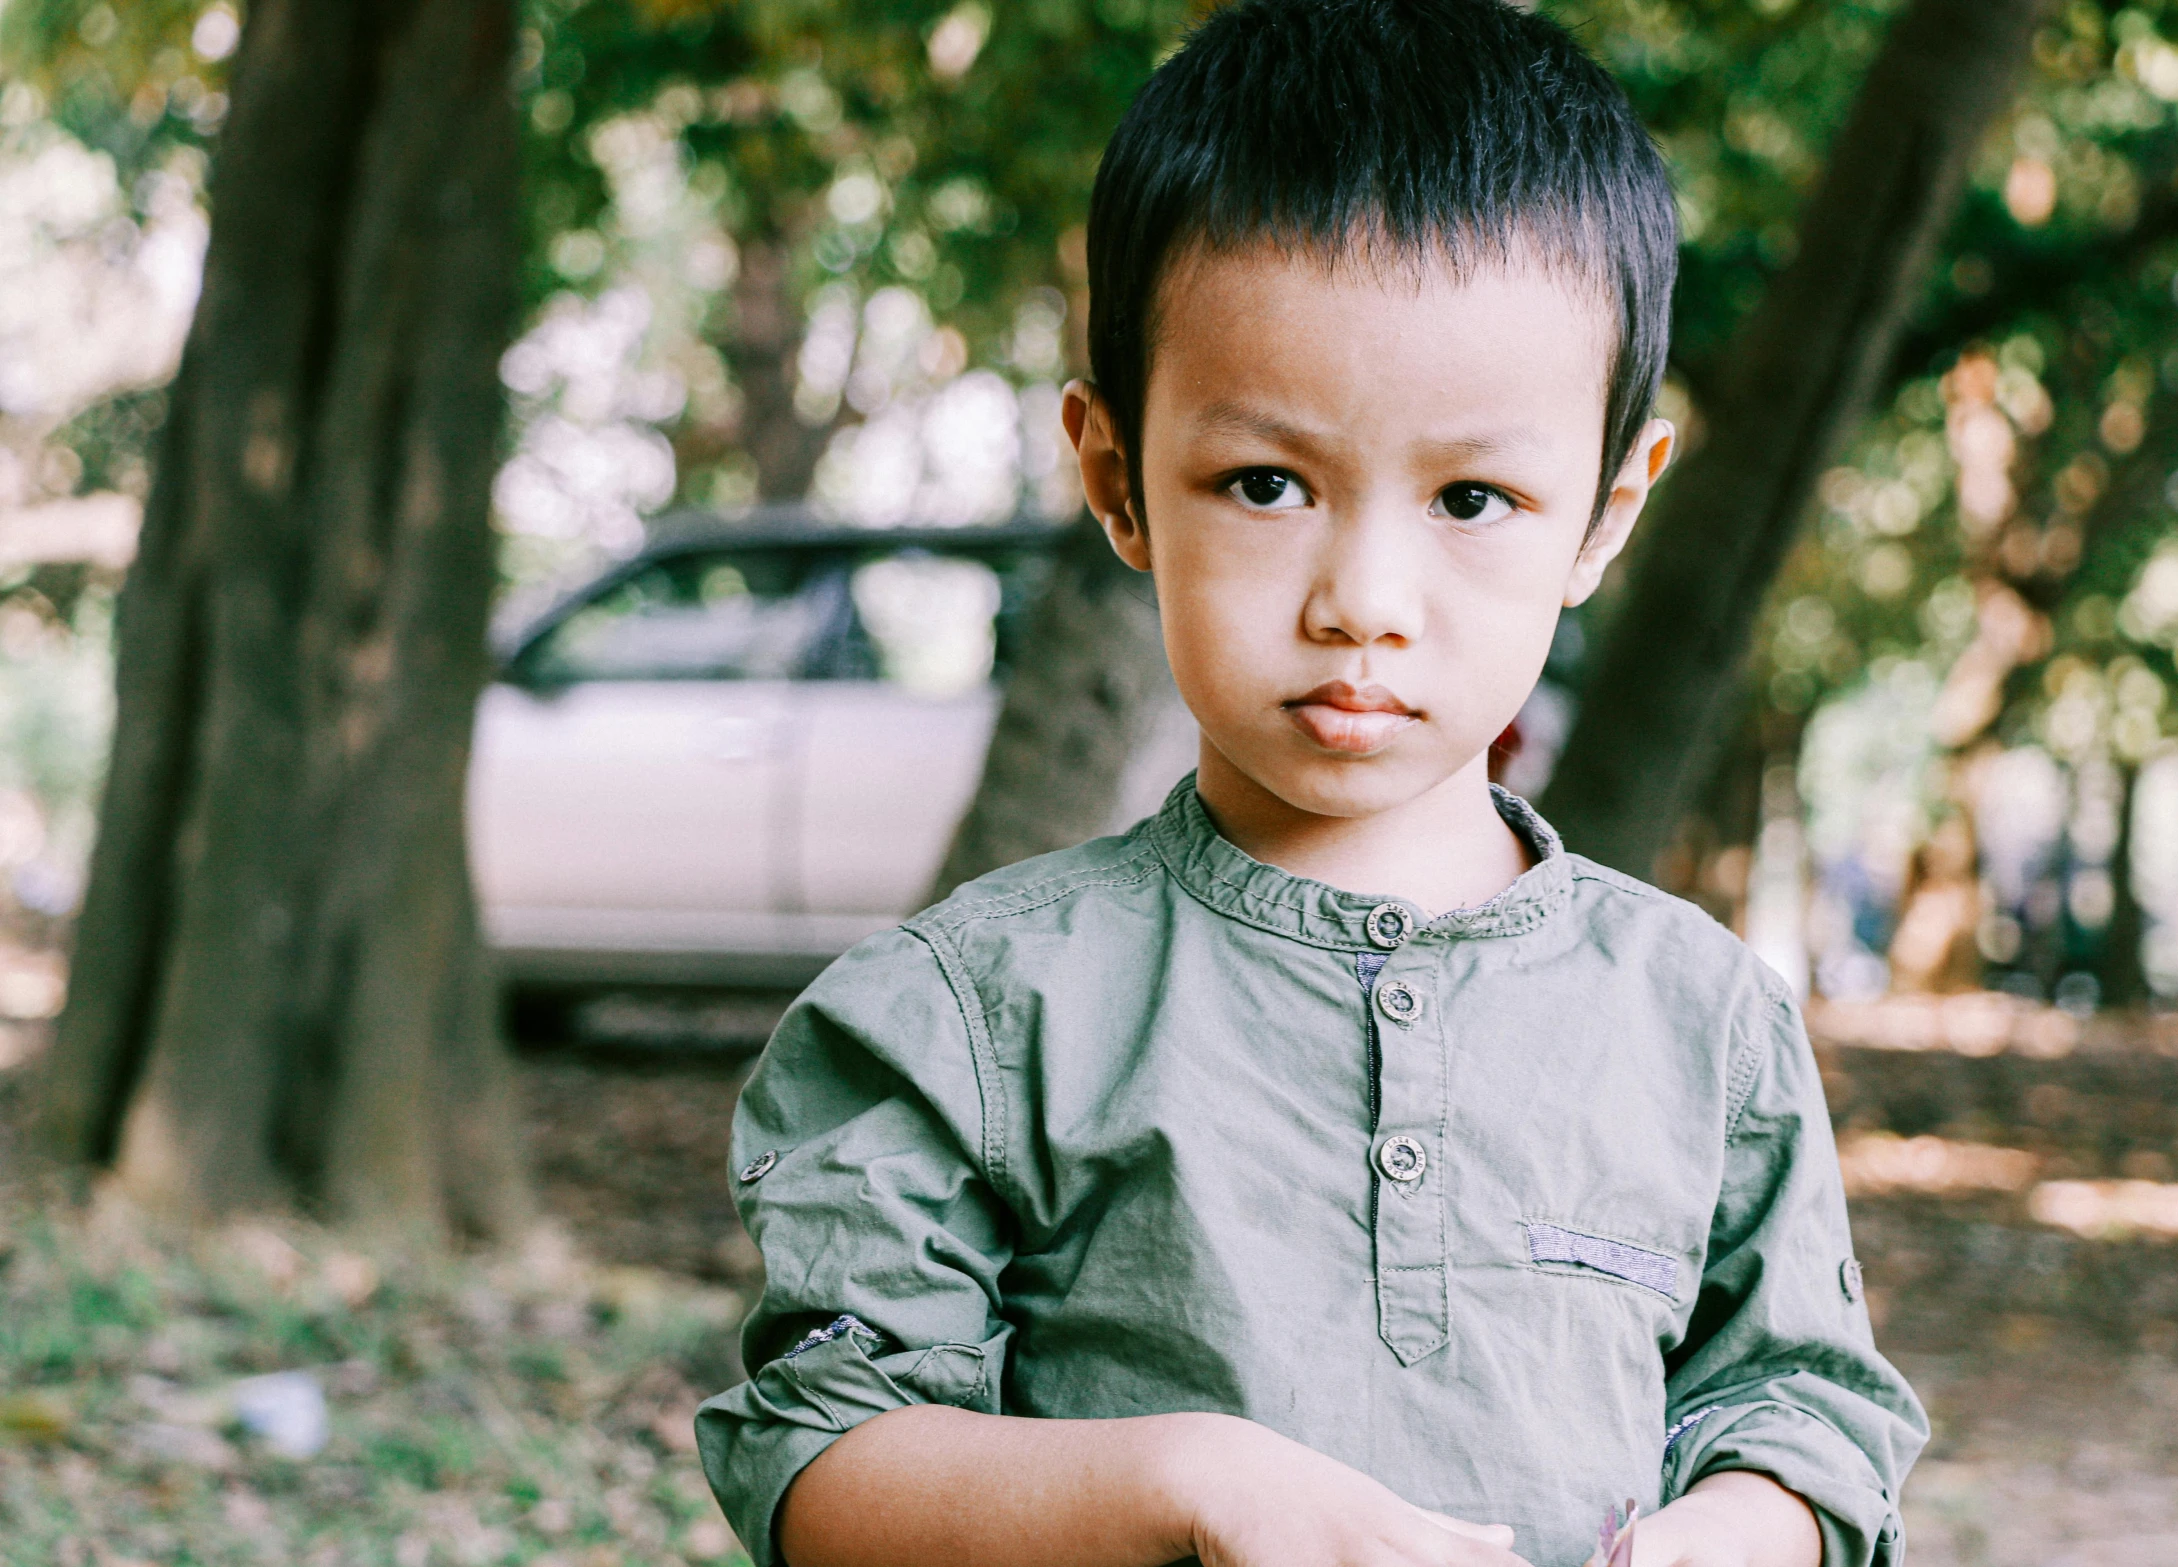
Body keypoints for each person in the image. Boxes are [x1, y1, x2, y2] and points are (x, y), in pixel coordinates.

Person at [696, 1, 1928, 1562]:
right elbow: (819, 1465)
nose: (1364, 595)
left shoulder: (1700, 1021)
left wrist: (1721, 1539)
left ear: (1606, 516)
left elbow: (1803, 1415)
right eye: (1265, 483)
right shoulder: (975, 1011)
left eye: (1472, 496)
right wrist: (1188, 1480)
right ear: (1116, 481)